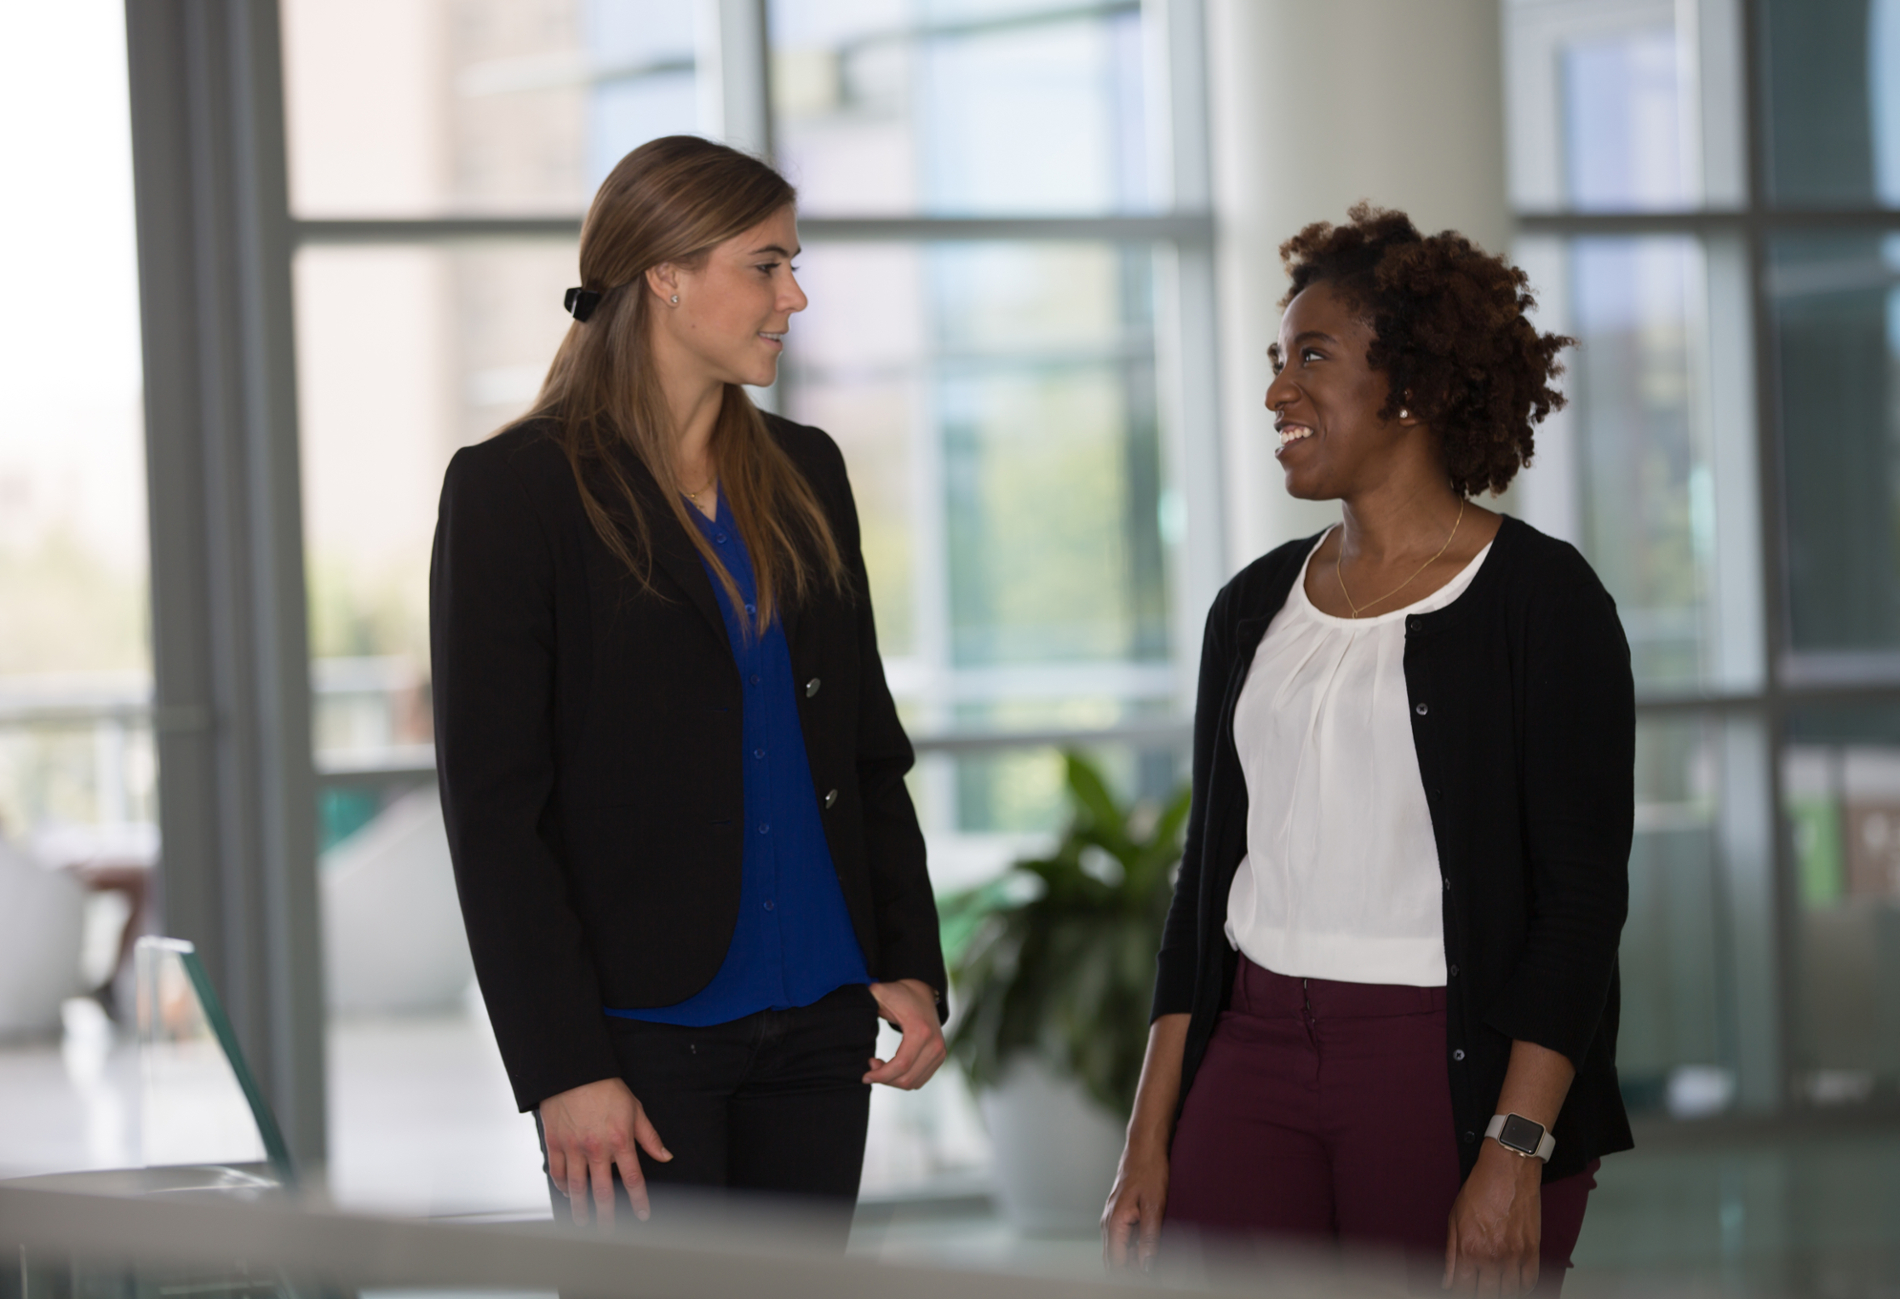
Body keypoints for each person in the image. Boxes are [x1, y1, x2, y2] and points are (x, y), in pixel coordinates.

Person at [1101, 205, 1634, 1295]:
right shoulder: (1251, 606)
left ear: (1410, 386)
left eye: (1311, 356)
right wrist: (1147, 1135)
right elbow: (1203, 885)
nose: (1275, 391)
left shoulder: (1541, 602)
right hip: (1247, 1053)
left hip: (1440, 1062)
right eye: (1274, 360)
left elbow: (1579, 905)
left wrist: (1512, 1152)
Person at [431, 136, 947, 1237]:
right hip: (633, 1039)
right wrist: (560, 1066)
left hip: (819, 1019)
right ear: (665, 274)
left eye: (791, 265)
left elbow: (864, 746)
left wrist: (904, 958)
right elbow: (494, 815)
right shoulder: (513, 492)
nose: (793, 295)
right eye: (765, 265)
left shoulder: (807, 471)